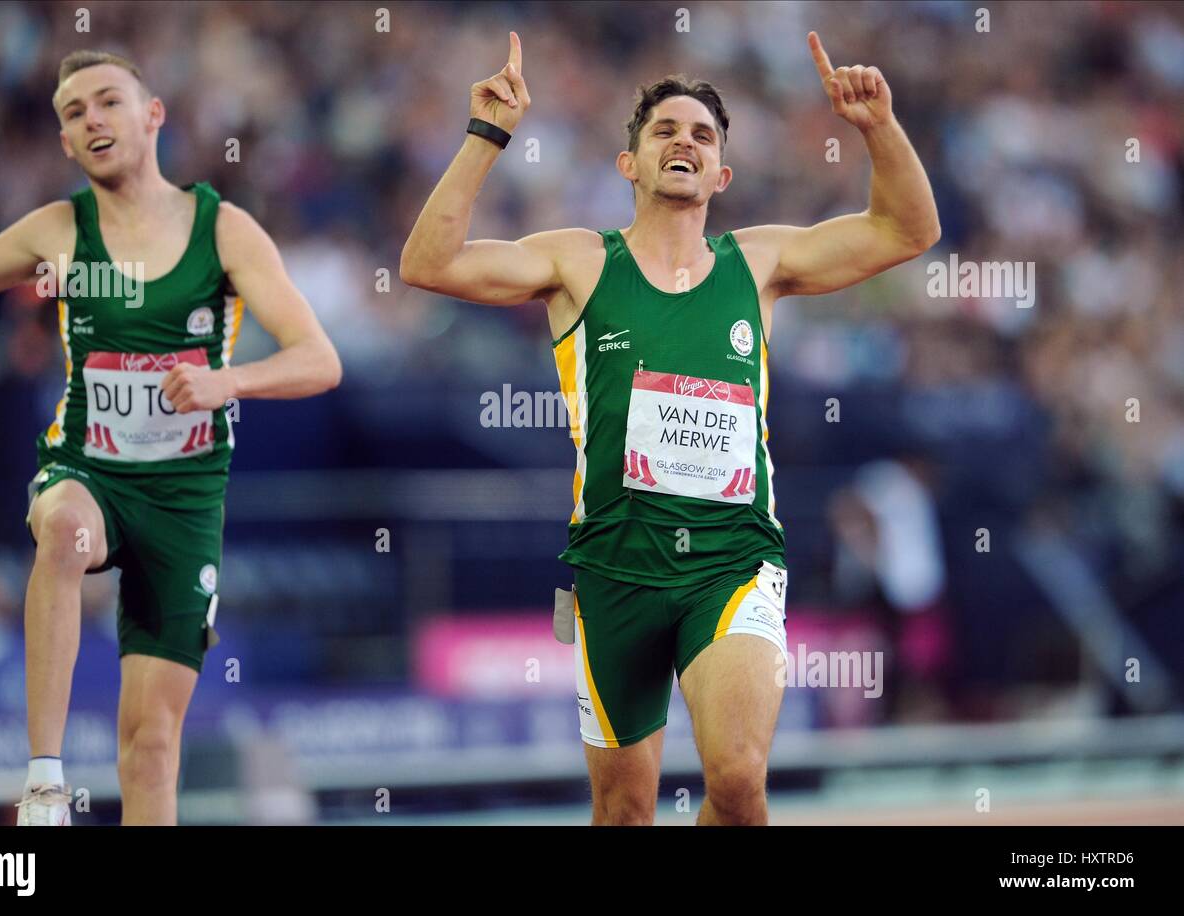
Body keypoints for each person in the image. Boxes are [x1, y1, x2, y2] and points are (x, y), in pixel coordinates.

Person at [400, 31, 938, 824]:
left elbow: (908, 232)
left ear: (722, 173)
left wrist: (877, 129)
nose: (683, 141)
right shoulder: (578, 263)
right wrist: (488, 134)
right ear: (631, 165)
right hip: (615, 567)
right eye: (664, 131)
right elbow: (427, 262)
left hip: (731, 561)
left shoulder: (759, 264)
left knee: (739, 780)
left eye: (702, 134)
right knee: (624, 810)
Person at [0, 50, 342, 825]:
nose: (91, 119)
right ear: (66, 143)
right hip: (87, 470)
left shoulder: (224, 230)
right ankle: (44, 781)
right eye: (73, 112)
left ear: (152, 115)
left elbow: (318, 359)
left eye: (107, 102)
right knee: (61, 530)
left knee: (151, 748)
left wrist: (227, 382)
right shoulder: (59, 230)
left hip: (185, 496)